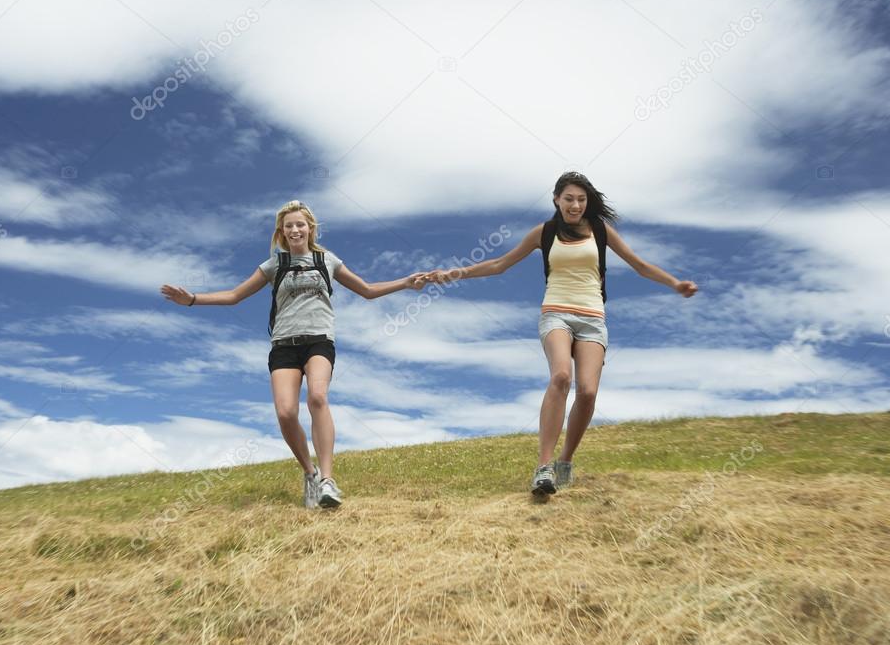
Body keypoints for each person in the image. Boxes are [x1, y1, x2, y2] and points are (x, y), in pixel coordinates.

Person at [423, 172, 698, 496]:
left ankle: (565, 460)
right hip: (555, 314)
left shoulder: (600, 230)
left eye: (581, 199)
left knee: (588, 392)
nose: (575, 205)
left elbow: (639, 265)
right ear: (557, 199)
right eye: (569, 199)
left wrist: (674, 283)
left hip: (593, 319)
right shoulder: (545, 232)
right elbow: (500, 264)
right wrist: (452, 274)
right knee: (560, 378)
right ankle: (544, 466)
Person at [161, 200, 423, 508]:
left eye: (300, 224)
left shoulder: (327, 260)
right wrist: (192, 299)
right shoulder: (274, 264)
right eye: (289, 226)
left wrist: (406, 283)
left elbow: (366, 290)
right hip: (284, 344)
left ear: (310, 228)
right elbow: (234, 296)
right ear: (282, 233)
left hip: (319, 341)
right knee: (286, 413)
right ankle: (310, 474)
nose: (295, 229)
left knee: (317, 397)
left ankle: (328, 480)